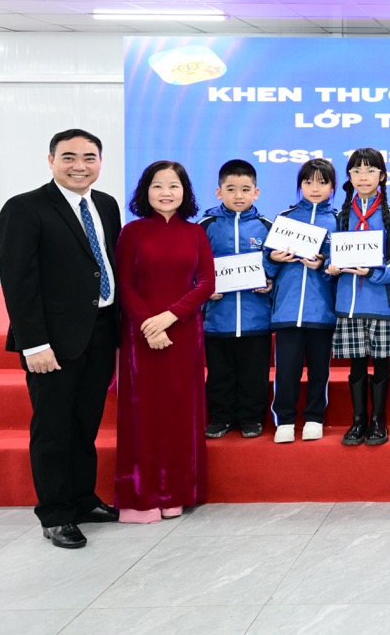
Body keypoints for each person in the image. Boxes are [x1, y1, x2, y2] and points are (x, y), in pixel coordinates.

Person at [0, 129, 122, 548]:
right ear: (50, 160)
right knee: (52, 428)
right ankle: (55, 514)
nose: (79, 166)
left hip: (100, 331)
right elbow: (18, 282)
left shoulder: (106, 205)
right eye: (69, 157)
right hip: (51, 341)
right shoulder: (24, 208)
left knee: (84, 424)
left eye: (89, 157)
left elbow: (105, 264)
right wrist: (33, 343)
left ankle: (83, 500)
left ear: (100, 162)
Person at [114, 161, 216, 523]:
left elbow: (206, 283)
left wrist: (170, 317)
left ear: (185, 191)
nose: (166, 192)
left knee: (180, 411)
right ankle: (141, 496)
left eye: (174, 185)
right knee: (143, 412)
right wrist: (148, 325)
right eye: (158, 185)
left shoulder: (195, 233)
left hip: (184, 332)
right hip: (140, 334)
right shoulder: (132, 232)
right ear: (146, 191)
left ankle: (177, 491)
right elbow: (123, 285)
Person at [325, 149, 390, 447]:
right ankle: (358, 419)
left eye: (370, 170)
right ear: (349, 177)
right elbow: (329, 254)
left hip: (382, 302)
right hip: (349, 303)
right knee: (357, 362)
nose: (363, 176)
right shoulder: (340, 216)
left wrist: (376, 272)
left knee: (381, 361)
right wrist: (330, 266)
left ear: (382, 176)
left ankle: (378, 420)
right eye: (357, 171)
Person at [198, 159, 275, 440]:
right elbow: (193, 267)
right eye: (231, 189)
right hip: (218, 318)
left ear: (256, 192)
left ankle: (251, 418)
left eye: (245, 189)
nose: (238, 195)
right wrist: (204, 290)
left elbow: (277, 266)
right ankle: (221, 418)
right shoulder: (205, 226)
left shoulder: (268, 227)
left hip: (257, 318)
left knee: (254, 374)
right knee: (220, 373)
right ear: (219, 192)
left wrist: (270, 281)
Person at [269, 158, 338, 444]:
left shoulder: (339, 220)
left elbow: (341, 265)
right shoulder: (285, 218)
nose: (315, 188)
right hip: (287, 310)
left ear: (333, 187)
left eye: (322, 182)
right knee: (286, 370)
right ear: (300, 185)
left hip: (322, 311)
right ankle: (284, 419)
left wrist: (324, 263)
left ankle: (314, 417)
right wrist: (273, 258)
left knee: (319, 370)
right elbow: (266, 264)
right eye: (308, 182)